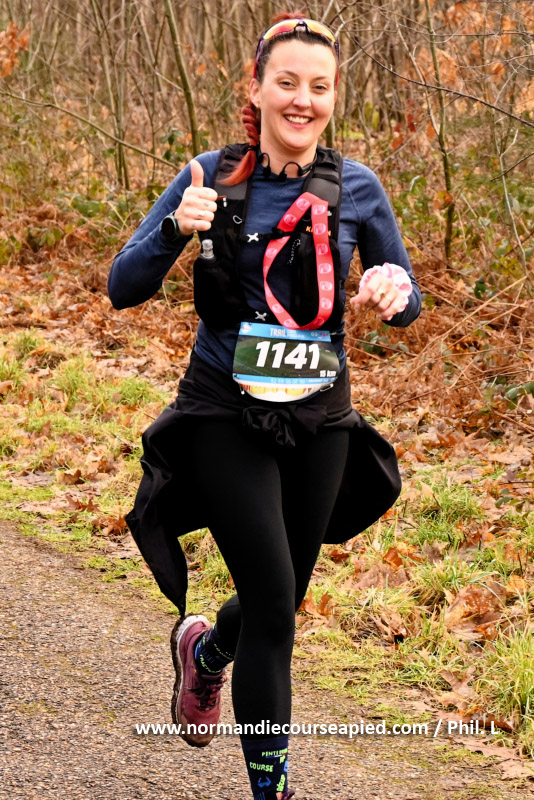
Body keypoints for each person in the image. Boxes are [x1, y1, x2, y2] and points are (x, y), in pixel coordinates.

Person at [108, 12, 421, 800]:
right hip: (223, 412)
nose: (302, 100)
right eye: (287, 82)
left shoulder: (357, 187)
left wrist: (395, 290)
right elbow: (122, 287)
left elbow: (405, 295)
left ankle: (209, 651)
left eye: (319, 86)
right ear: (256, 88)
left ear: (333, 97)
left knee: (276, 598)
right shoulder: (209, 176)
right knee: (277, 609)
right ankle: (272, 790)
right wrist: (175, 229)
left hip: (322, 418)